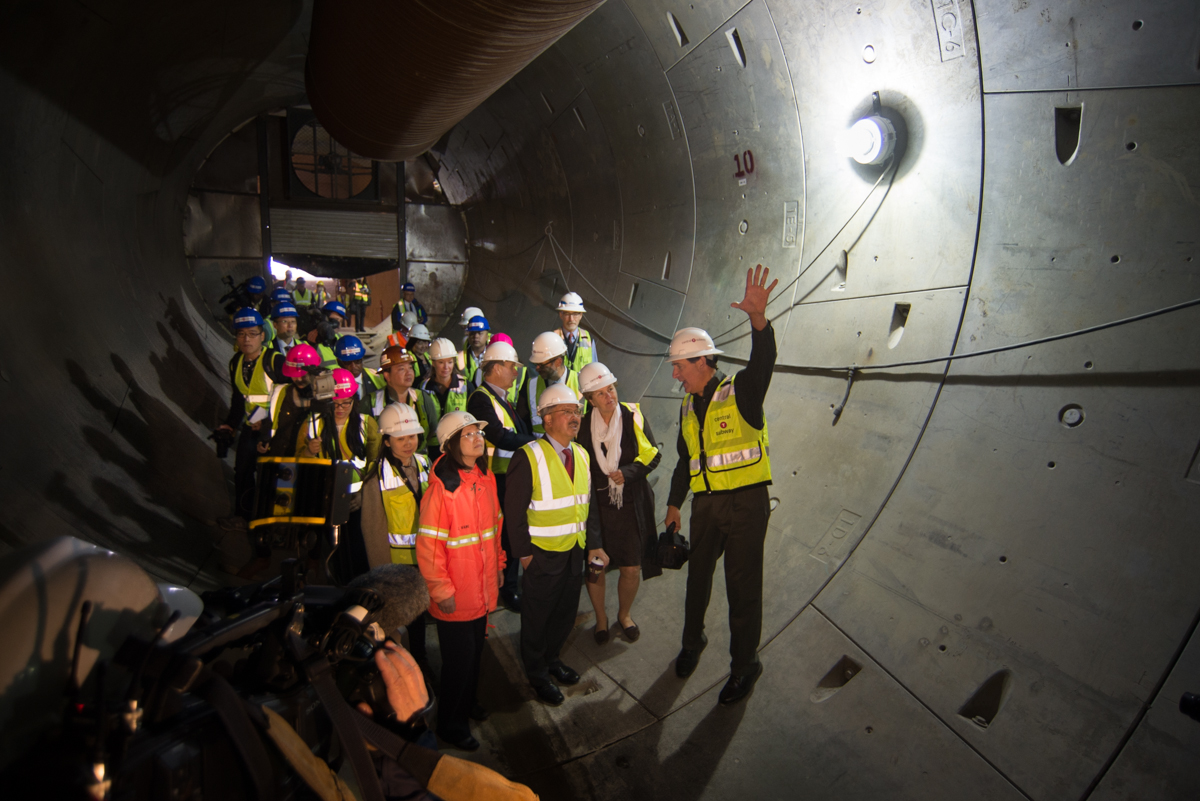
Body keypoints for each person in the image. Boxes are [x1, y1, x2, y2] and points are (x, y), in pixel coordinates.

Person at [664, 264, 778, 706]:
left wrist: (758, 321)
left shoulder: (742, 391)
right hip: (706, 507)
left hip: (747, 505)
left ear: (703, 362)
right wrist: (675, 504)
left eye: (679, 367)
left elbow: (764, 361)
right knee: (697, 580)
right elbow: (684, 460)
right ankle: (692, 643)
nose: (676, 376)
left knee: (742, 588)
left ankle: (744, 666)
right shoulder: (687, 410)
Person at [504, 385, 607, 706]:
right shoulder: (528, 456)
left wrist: (594, 545)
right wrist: (524, 556)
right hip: (542, 555)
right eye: (567, 412)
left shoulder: (581, 454)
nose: (575, 418)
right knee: (537, 617)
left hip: (574, 553)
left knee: (564, 614)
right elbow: (514, 512)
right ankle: (536, 673)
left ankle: (552, 660)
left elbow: (588, 505)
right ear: (547, 420)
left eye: (577, 411)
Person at [415, 410, 504, 751]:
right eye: (467, 435)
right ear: (450, 445)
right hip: (455, 594)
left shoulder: (483, 479)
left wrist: (498, 564)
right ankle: (451, 724)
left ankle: (467, 704)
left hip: (479, 589)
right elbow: (429, 549)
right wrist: (440, 590)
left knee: (475, 654)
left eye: (478, 434)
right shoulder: (442, 492)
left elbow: (494, 529)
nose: (477, 439)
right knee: (458, 662)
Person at [576, 362, 662, 645]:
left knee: (631, 568)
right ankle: (601, 619)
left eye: (610, 389)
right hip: (597, 509)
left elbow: (653, 455)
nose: (609, 396)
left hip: (631, 506)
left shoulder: (632, 415)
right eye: (600, 393)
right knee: (596, 566)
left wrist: (627, 473)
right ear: (589, 400)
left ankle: (624, 615)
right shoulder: (581, 427)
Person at [361, 403, 435, 681]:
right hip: (398, 567)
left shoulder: (426, 463)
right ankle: (408, 672)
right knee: (405, 625)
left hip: (427, 559)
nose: (408, 443)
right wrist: (382, 576)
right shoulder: (376, 476)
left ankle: (421, 662)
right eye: (401, 438)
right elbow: (372, 530)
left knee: (422, 624)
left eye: (412, 436)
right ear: (387, 440)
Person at [466, 340, 537, 612]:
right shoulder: (481, 399)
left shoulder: (500, 399)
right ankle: (506, 588)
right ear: (495, 368)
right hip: (497, 479)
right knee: (506, 534)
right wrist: (534, 442)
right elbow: (498, 435)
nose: (516, 373)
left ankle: (508, 584)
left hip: (509, 478)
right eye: (511, 367)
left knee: (512, 532)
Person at [299, 368, 382, 584]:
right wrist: (309, 451)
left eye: (346, 403)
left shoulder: (366, 425)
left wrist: (364, 494)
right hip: (322, 499)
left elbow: (376, 464)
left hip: (355, 501)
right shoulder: (312, 425)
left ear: (354, 401)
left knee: (354, 547)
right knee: (320, 545)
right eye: (335, 404)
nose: (341, 408)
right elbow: (297, 463)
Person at [215, 308, 285, 527]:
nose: (246, 339)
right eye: (241, 334)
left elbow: (289, 400)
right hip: (249, 429)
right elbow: (239, 399)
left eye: (252, 334)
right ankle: (243, 517)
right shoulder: (236, 362)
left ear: (262, 335)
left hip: (275, 430)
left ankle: (272, 522)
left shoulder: (275, 361)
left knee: (273, 476)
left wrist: (267, 424)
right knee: (243, 472)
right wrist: (230, 425)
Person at [519, 331, 582, 434]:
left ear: (558, 362)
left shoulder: (581, 383)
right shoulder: (530, 386)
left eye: (542, 365)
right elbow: (523, 423)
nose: (538, 368)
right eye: (536, 364)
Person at [378, 345, 437, 448]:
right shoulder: (372, 402)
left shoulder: (423, 398)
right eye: (401, 369)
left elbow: (432, 430)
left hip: (417, 459)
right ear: (387, 375)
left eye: (410, 367)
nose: (409, 373)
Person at [420, 338, 469, 459]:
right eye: (441, 362)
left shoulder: (466, 386)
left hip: (458, 446)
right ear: (433, 362)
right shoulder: (423, 387)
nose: (446, 367)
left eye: (450, 362)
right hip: (431, 449)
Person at [335, 334, 387, 416]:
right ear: (339, 362)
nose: (353, 366)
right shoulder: (332, 382)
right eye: (347, 362)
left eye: (357, 361)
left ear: (362, 359)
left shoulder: (376, 377)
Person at [554, 292, 597, 373]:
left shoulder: (588, 339)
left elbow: (595, 368)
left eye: (575, 314)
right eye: (567, 314)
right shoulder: (552, 338)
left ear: (581, 315)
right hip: (559, 385)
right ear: (561, 314)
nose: (571, 319)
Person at [456, 315, 490, 389]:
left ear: (487, 336)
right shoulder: (460, 358)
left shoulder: (494, 355)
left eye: (480, 333)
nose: (476, 336)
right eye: (472, 333)